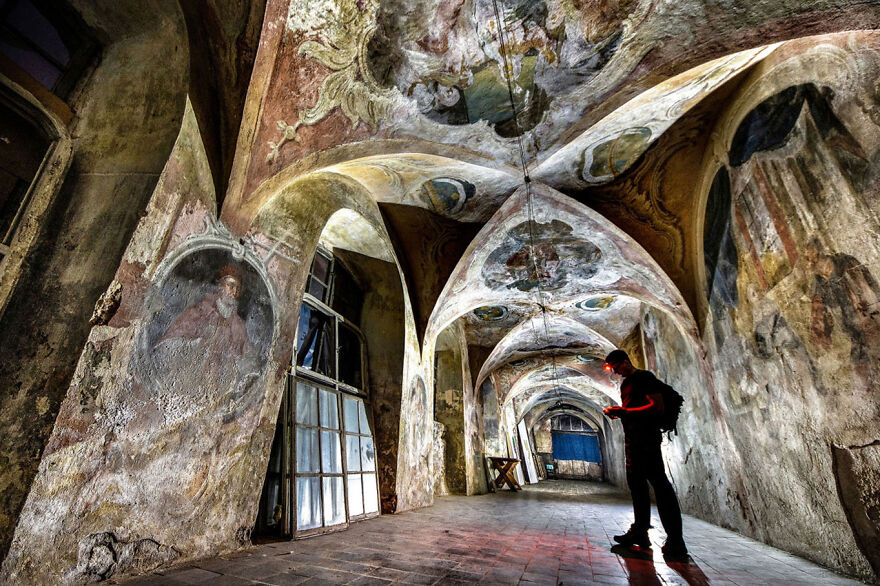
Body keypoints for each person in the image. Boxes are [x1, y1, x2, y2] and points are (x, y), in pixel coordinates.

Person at [603, 349, 687, 558]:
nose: (616, 372)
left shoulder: (643, 377)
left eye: (615, 367)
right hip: (634, 440)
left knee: (660, 486)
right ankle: (640, 532)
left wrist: (624, 412)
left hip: (646, 440)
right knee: (637, 486)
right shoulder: (628, 383)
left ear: (625, 362)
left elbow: (656, 407)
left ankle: (675, 540)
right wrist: (621, 414)